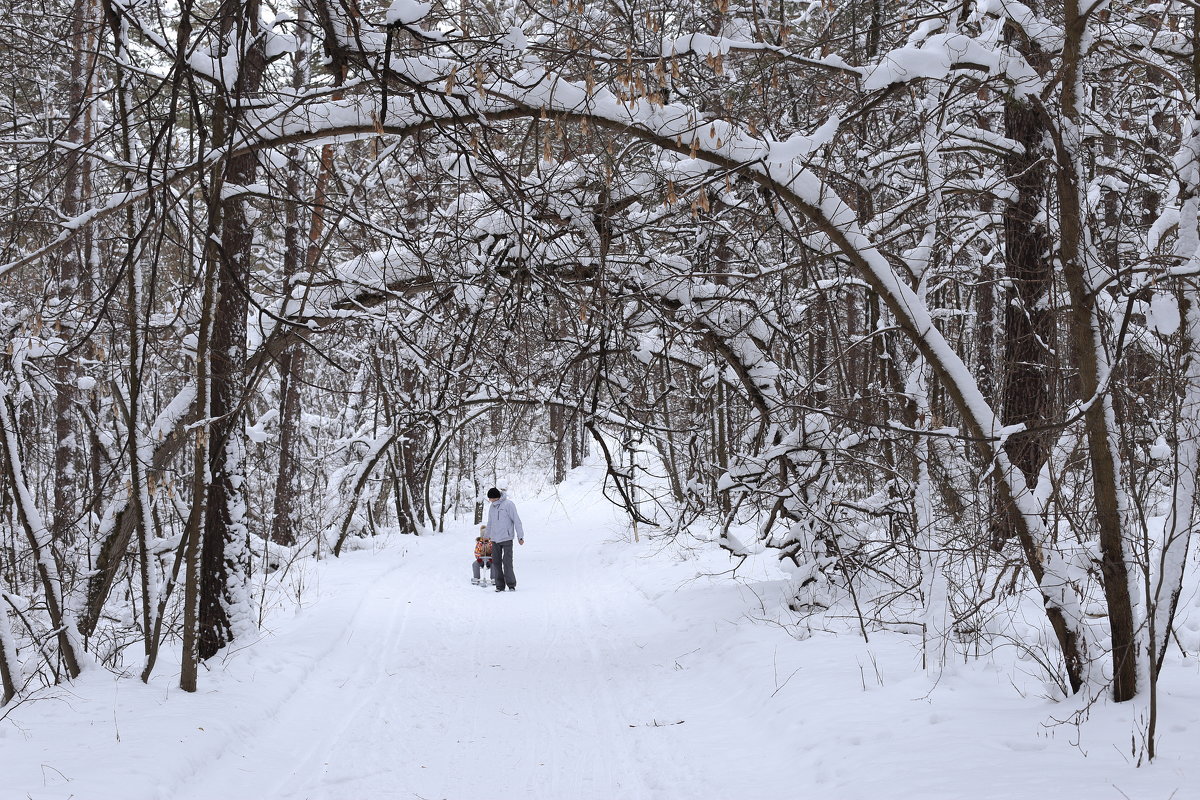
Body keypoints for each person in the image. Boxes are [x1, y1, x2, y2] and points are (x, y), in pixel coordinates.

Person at [485, 487, 524, 592]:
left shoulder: (508, 504)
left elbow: (516, 520)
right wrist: (486, 537)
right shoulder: (492, 507)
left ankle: (511, 585)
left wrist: (520, 536)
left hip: (506, 538)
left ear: (496, 497)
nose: (490, 500)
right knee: (496, 563)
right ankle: (499, 586)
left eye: (491, 498)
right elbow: (490, 523)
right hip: (495, 539)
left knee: (507, 563)